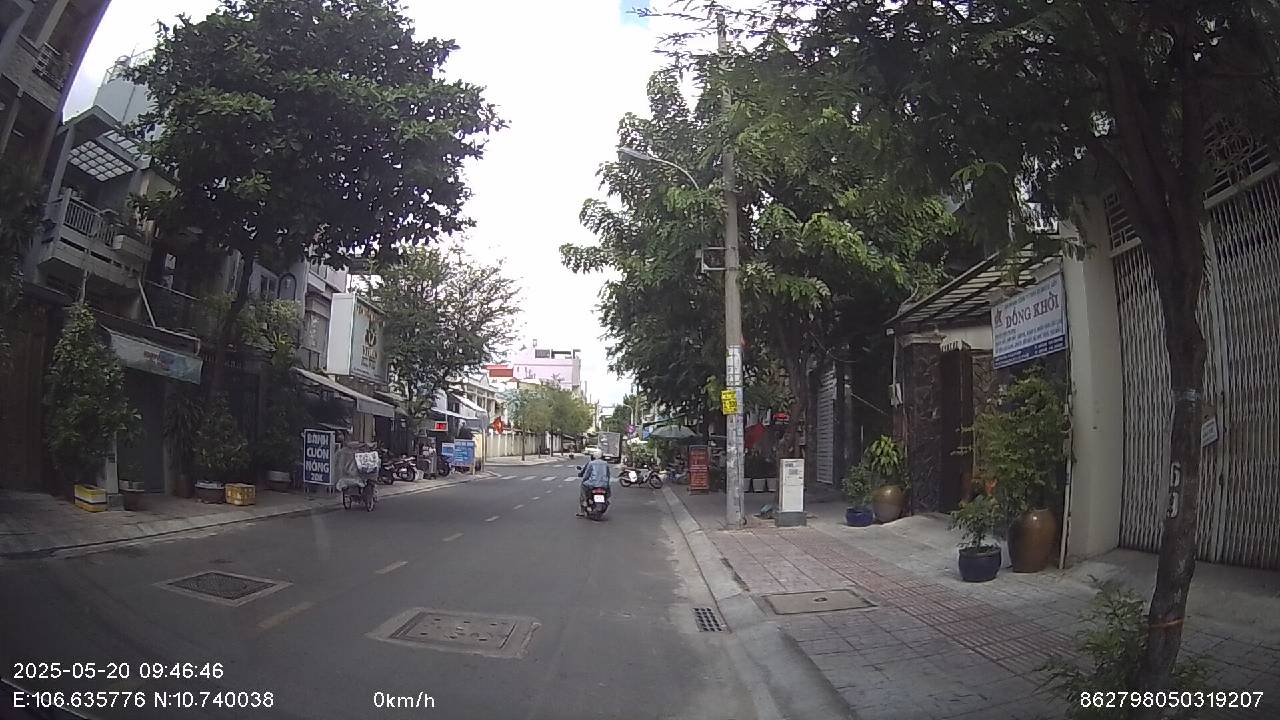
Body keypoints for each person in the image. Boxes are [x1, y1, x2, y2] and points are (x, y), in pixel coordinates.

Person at [576, 452, 611, 517]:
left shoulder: (591, 463)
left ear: (594, 457)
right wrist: (607, 483)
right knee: (608, 490)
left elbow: (587, 474)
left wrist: (583, 480)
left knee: (583, 486)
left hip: (592, 483)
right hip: (604, 484)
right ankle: (608, 500)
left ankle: (583, 505)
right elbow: (608, 475)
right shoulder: (605, 463)